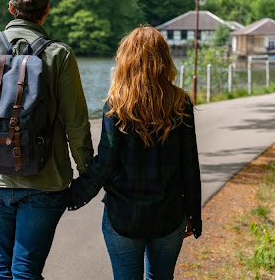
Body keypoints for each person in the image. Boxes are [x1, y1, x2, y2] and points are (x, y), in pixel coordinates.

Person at [0, 0, 93, 280]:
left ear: (10, 7)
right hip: (47, 181)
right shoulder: (60, 55)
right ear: (46, 10)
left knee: (6, 270)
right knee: (26, 271)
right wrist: (88, 173)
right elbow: (76, 124)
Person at [69, 25, 202, 280]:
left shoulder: (117, 105)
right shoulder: (180, 103)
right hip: (169, 215)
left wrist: (73, 195)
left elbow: (105, 164)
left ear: (127, 60)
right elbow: (190, 165)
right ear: (164, 59)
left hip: (123, 216)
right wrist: (193, 214)